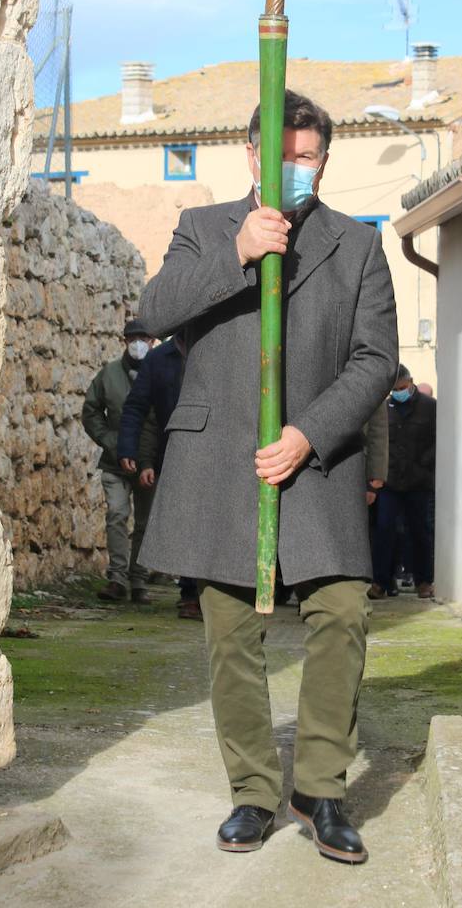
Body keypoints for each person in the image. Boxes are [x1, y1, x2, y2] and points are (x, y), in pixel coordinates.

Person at [136, 90, 398, 864]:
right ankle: (252, 792)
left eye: (309, 158)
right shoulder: (203, 229)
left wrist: (309, 432)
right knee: (230, 637)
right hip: (221, 463)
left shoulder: (356, 245)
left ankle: (320, 786)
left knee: (343, 614)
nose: (294, 168)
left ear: (324, 162)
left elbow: (375, 358)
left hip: (316, 459)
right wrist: (240, 252)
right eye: (282, 155)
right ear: (253, 154)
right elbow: (156, 312)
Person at [117, 334, 202, 620]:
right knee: (188, 523)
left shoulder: (217, 347)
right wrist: (131, 450)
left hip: (215, 450)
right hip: (174, 453)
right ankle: (190, 593)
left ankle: (209, 591)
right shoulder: (157, 359)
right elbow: (137, 407)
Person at [81, 319, 158, 604]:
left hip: (148, 463)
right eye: (133, 338)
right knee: (116, 515)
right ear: (125, 341)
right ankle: (117, 578)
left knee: (144, 523)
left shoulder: (159, 371)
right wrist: (111, 442)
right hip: (114, 462)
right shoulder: (109, 375)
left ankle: (139, 580)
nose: (139, 344)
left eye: (145, 338)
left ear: (153, 341)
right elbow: (91, 411)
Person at [369, 367, 437, 601]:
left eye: (402, 387)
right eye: (395, 389)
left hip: (419, 482)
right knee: (385, 532)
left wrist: (426, 465)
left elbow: (438, 440)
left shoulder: (430, 408)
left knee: (420, 532)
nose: (399, 392)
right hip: (390, 482)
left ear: (411, 382)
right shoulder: (384, 410)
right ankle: (381, 582)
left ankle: (424, 581)